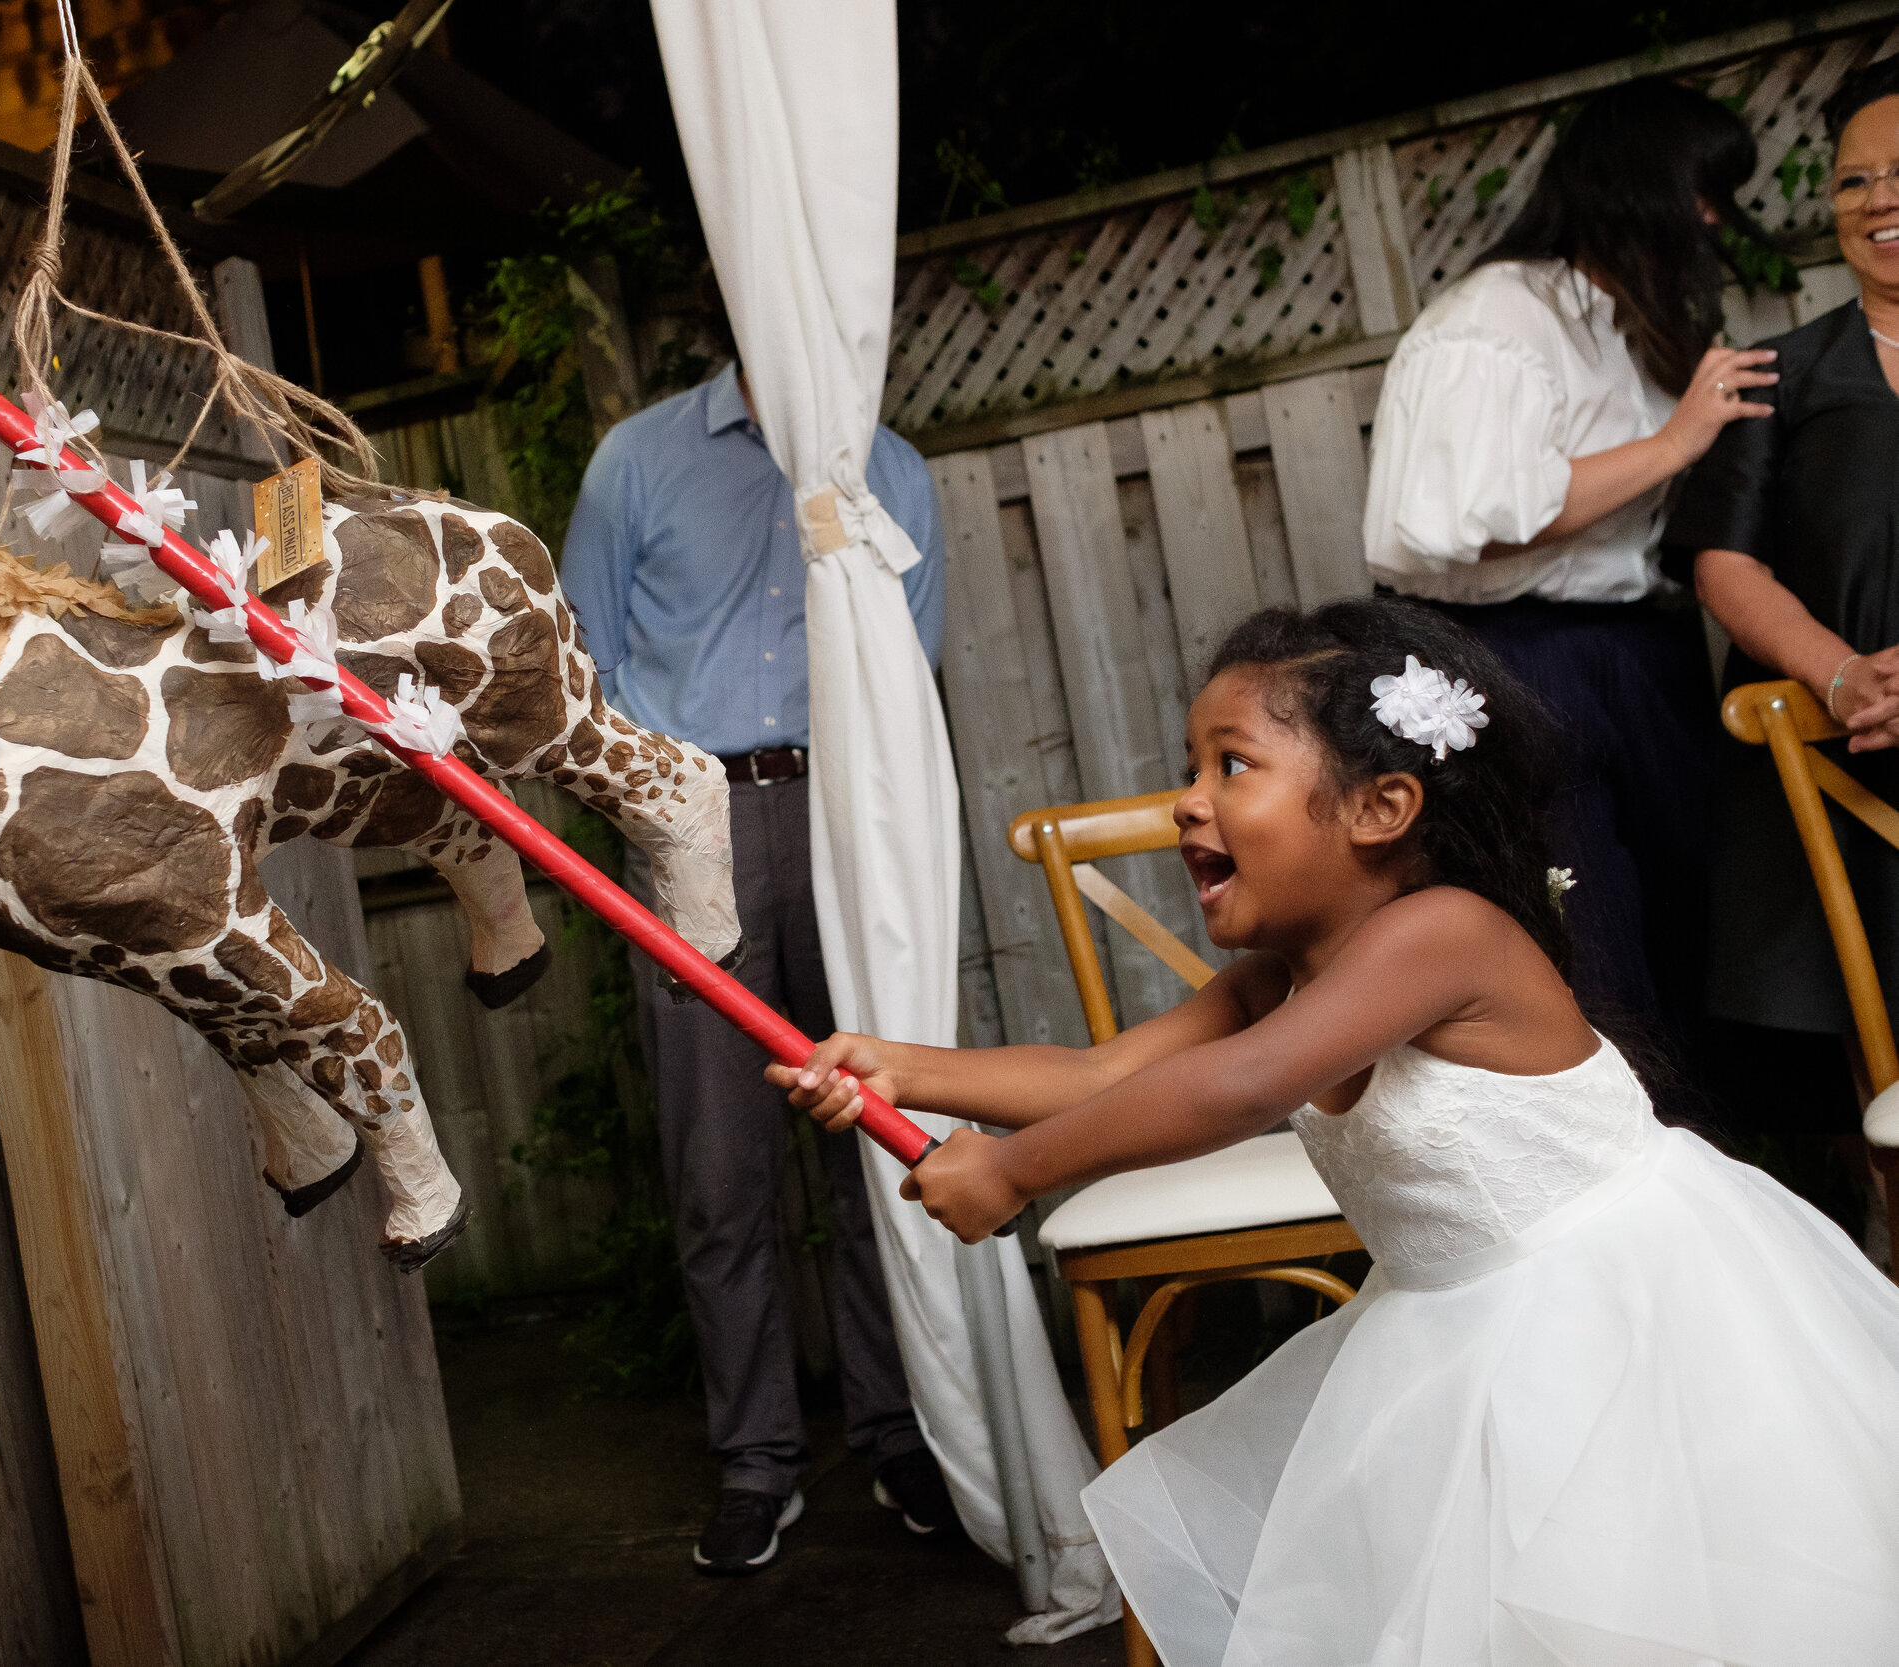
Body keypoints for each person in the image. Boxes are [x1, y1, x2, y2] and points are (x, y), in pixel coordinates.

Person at [770, 596, 1899, 1664]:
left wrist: (1012, 1171)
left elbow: (1241, 1087)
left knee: (1648, 1596)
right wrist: (897, 1063)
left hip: (1626, 1313)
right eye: (1187, 767)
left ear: (1381, 806)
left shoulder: (1442, 934)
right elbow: (1097, 1071)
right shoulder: (1283, 974)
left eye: (1232, 764)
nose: (1187, 799)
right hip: (1449, 1331)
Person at [560, 359, 958, 1575]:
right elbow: (584, 653)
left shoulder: (886, 467)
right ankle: (756, 1458)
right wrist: (660, 797)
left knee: (878, 1140)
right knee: (717, 1167)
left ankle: (900, 1429)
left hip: (850, 816)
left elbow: (915, 653)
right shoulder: (637, 456)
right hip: (694, 825)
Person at [1361, 78, 1777, 1047]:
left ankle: (1733, 1168)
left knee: (1697, 919)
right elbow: (1464, 519)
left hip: (1644, 654)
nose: (1714, 218)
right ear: (1636, 189)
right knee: (1590, 929)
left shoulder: (1631, 317)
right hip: (1528, 660)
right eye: (1700, 192)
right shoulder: (1496, 318)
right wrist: (1677, 440)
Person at [1670, 58, 1899, 1222]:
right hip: (1843, 764)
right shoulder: (1781, 375)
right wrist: (1845, 673)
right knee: (1874, 1059)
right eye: (1853, 178)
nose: (1875, 199)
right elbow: (1721, 560)